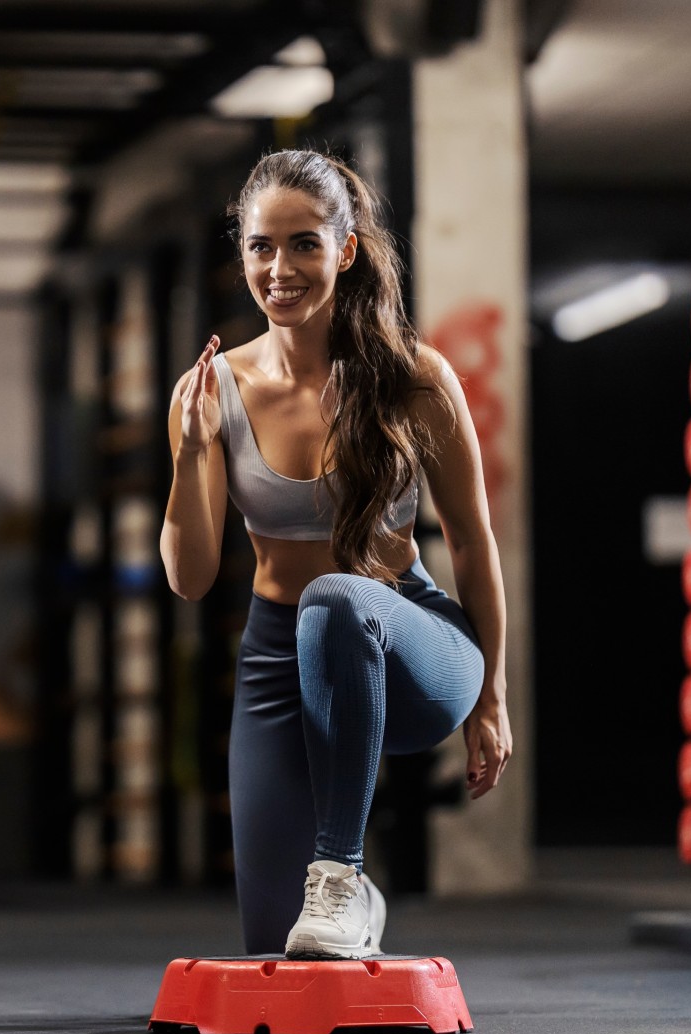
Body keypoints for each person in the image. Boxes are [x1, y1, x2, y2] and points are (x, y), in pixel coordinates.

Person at [160, 149, 511, 959]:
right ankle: (346, 894)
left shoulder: (414, 378)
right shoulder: (215, 388)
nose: (279, 268)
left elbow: (472, 540)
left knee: (338, 597)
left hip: (412, 644)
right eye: (260, 247)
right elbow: (191, 580)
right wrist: (188, 456)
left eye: (303, 244)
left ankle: (343, 873)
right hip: (276, 659)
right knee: (274, 951)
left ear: (345, 249)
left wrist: (492, 697)